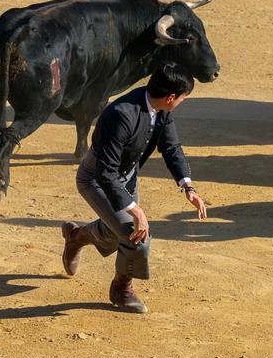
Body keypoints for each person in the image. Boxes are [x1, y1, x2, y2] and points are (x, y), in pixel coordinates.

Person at [60, 63, 208, 313]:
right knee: (136, 235)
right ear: (171, 97)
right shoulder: (121, 114)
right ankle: (122, 289)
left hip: (126, 176)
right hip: (96, 178)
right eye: (183, 97)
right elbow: (105, 172)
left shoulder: (161, 108)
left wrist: (188, 187)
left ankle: (76, 237)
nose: (182, 101)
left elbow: (171, 148)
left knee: (115, 232)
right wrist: (134, 209)